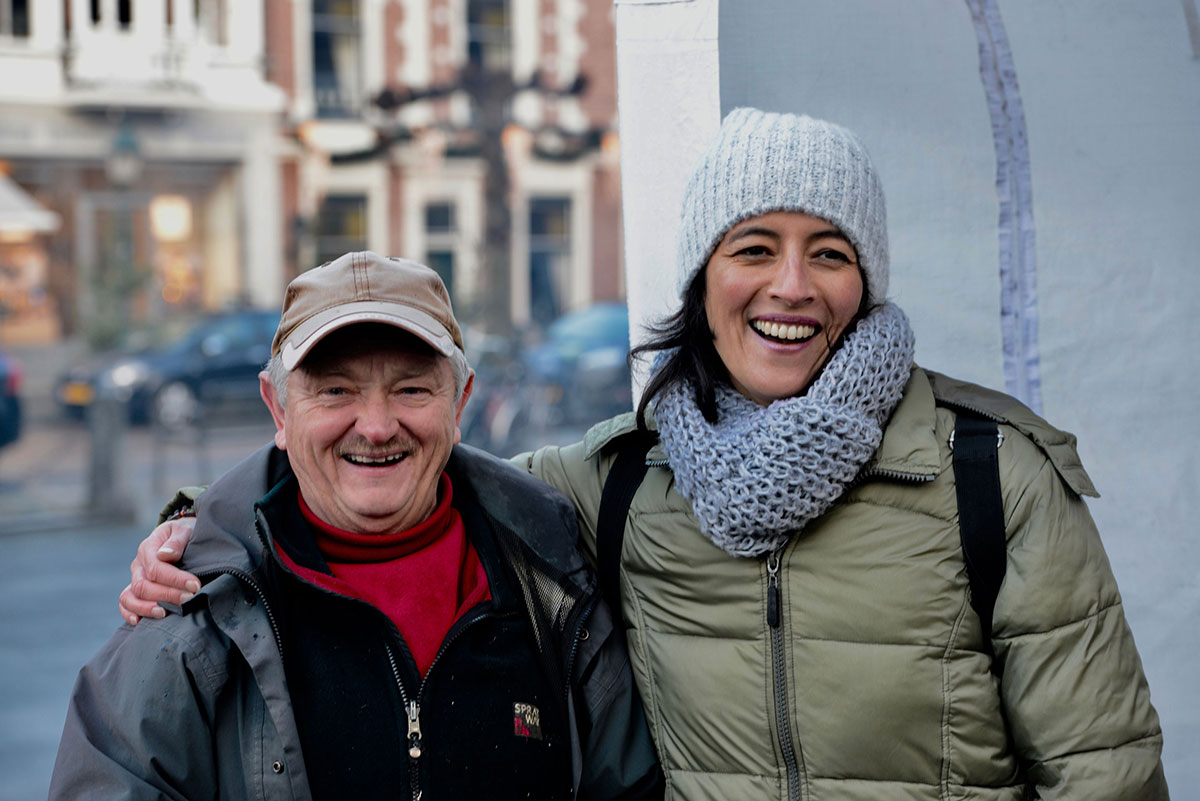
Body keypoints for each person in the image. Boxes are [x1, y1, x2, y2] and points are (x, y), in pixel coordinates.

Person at [121, 109, 1169, 799]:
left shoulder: (990, 478)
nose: (792, 288)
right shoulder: (616, 480)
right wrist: (196, 534)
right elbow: (402, 476)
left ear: (868, 281)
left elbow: (1103, 773)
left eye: (831, 254)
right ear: (702, 281)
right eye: (753, 249)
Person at [52, 252, 662, 800]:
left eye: (412, 389)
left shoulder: (554, 580)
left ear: (461, 403)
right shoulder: (192, 612)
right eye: (336, 390)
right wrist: (203, 527)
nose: (374, 426)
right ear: (279, 409)